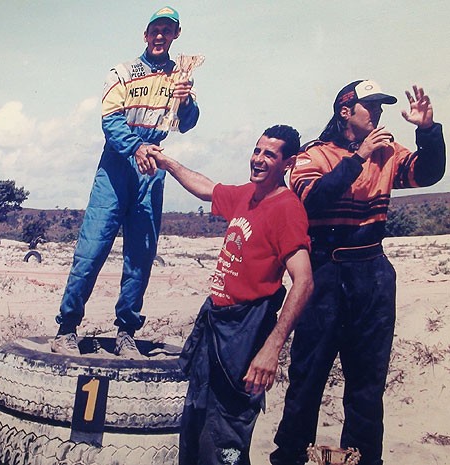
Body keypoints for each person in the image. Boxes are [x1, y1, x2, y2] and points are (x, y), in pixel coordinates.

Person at [270, 82, 446, 465]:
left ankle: (364, 459)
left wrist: (428, 132)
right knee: (307, 375)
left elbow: (428, 173)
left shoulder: (386, 152)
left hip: (372, 273)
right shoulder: (311, 156)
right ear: (345, 112)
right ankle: (289, 457)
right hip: (326, 272)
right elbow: (312, 198)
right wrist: (358, 157)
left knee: (367, 383)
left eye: (380, 106)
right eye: (370, 106)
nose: (378, 113)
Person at [152, 125, 314, 465]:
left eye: (269, 154)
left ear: (289, 163)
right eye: (257, 151)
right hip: (217, 324)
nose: (258, 159)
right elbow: (206, 188)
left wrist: (271, 350)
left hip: (248, 328)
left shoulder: (287, 209)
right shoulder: (246, 195)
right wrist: (167, 162)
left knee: (228, 432)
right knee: (197, 423)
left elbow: (304, 281)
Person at [52, 6, 200, 358]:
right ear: (145, 35)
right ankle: (67, 328)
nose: (161, 36)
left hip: (154, 167)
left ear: (177, 34)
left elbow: (188, 123)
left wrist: (187, 100)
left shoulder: (182, 75)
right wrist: (135, 148)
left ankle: (126, 332)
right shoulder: (122, 72)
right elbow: (110, 120)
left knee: (140, 255)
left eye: (168, 30)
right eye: (155, 30)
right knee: (91, 250)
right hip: (118, 165)